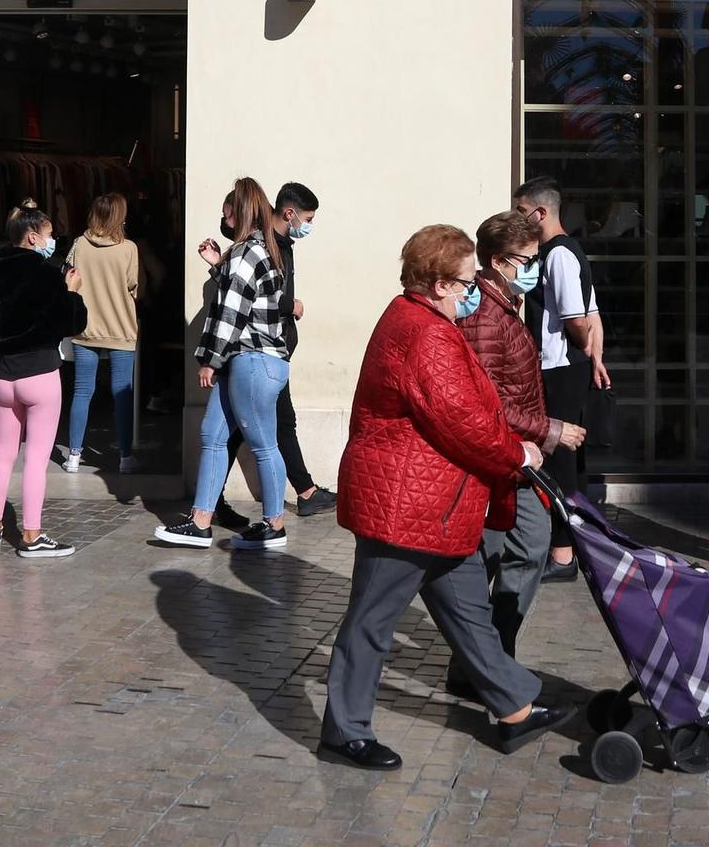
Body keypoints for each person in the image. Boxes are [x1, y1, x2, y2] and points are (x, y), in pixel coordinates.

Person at [318, 224, 574, 770]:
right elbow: (459, 419)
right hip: (408, 503)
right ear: (437, 284)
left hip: (436, 505)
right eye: (463, 283)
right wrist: (517, 454)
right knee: (371, 619)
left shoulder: (415, 316)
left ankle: (514, 708)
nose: (471, 291)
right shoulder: (425, 333)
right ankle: (344, 732)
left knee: (469, 616)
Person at [449, 210, 585, 695]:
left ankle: (483, 661)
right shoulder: (486, 315)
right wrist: (552, 429)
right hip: (505, 454)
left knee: (511, 548)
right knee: (507, 551)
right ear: (497, 260)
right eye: (527, 260)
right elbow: (492, 402)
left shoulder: (504, 303)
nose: (535, 268)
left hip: (518, 454)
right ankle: (486, 662)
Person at [155, 178, 292, 550]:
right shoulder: (255, 251)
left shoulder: (248, 253)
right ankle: (201, 522)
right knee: (213, 436)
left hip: (251, 361)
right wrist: (219, 267)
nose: (223, 219)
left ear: (237, 213)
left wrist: (209, 361)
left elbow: (231, 312)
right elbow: (246, 297)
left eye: (225, 213)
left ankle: (275, 524)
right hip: (248, 362)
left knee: (263, 445)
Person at [210, 182, 336, 528]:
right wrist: (289, 305)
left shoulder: (279, 243)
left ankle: (297, 495)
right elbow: (256, 295)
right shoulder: (263, 244)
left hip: (273, 351)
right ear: (290, 212)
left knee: (260, 428)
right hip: (261, 352)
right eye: (307, 218)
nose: (309, 225)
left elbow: (248, 289)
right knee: (254, 432)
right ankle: (285, 504)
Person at [0, 202, 89, 559]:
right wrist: (71, 291)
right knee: (37, 458)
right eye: (49, 234)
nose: (53, 240)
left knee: (2, 453)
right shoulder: (45, 274)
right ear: (32, 236)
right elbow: (72, 322)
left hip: (4, 376)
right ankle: (31, 534)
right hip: (40, 372)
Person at [514, 177, 609, 582]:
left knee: (561, 458)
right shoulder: (562, 252)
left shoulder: (559, 255)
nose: (518, 221)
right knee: (566, 457)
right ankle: (573, 546)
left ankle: (565, 551)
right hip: (565, 366)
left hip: (559, 367)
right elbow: (593, 312)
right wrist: (595, 355)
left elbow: (578, 317)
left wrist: (586, 349)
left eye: (521, 213)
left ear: (541, 212)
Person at [62, 193, 142, 474]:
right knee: (122, 393)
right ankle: (125, 457)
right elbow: (133, 285)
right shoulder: (129, 248)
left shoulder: (79, 244)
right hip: (120, 326)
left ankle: (73, 455)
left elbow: (68, 278)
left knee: (82, 391)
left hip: (85, 326)